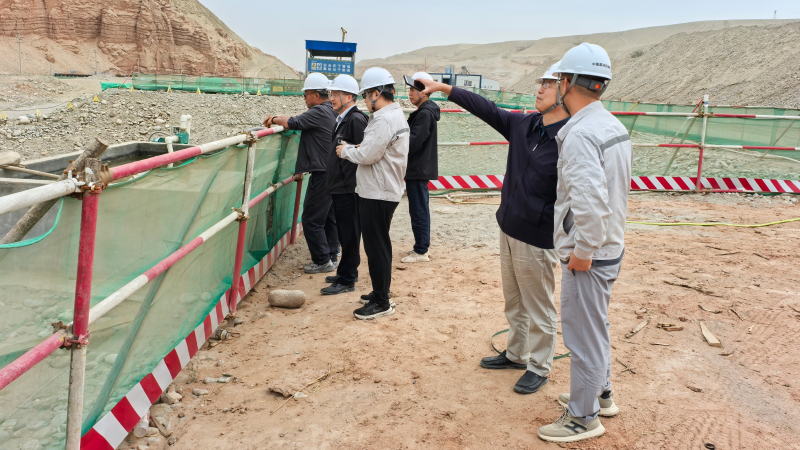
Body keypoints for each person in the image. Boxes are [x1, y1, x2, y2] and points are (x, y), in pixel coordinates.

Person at [417, 62, 569, 394]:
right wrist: (443, 89)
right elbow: (484, 107)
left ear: (567, 89)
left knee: (539, 306)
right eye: (541, 82)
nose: (539, 88)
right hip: (509, 228)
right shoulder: (524, 125)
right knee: (514, 302)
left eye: (548, 84)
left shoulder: (570, 138)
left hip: (537, 238)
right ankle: (516, 354)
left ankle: (539, 366)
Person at [536, 43, 631, 444]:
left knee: (582, 335)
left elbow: (590, 204)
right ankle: (600, 394)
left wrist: (582, 253)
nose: (554, 84)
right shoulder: (611, 125)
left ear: (568, 82)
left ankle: (583, 417)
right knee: (596, 326)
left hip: (590, 254)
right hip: (609, 247)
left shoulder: (580, 135)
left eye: (558, 78)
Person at [336, 67, 409, 320]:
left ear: (376, 93)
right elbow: (377, 148)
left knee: (376, 247)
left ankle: (381, 301)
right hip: (383, 189)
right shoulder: (393, 115)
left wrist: (345, 151)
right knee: (380, 244)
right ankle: (381, 291)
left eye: (366, 95)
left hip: (378, 192)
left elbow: (368, 155)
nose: (365, 101)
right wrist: (360, 147)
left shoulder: (384, 119)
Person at [264, 73, 339, 274]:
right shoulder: (331, 110)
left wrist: (273, 118)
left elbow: (293, 122)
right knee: (328, 217)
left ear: (316, 95)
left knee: (312, 220)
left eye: (305, 95)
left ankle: (322, 261)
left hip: (322, 174)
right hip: (332, 171)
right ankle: (332, 254)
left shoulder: (319, 111)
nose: (304, 98)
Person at [320, 74, 369, 295]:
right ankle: (345, 272)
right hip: (341, 186)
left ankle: (347, 279)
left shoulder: (356, 120)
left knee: (349, 234)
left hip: (349, 188)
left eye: (335, 94)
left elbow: (363, 152)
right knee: (345, 233)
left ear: (349, 96)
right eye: (330, 93)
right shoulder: (343, 119)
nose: (331, 98)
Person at [401, 72, 440, 263]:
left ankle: (421, 251)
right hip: (418, 168)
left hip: (417, 169)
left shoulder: (425, 114)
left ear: (424, 92)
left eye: (413, 90)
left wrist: (395, 143)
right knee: (419, 209)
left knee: (418, 210)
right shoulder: (424, 112)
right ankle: (421, 247)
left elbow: (414, 142)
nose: (410, 94)